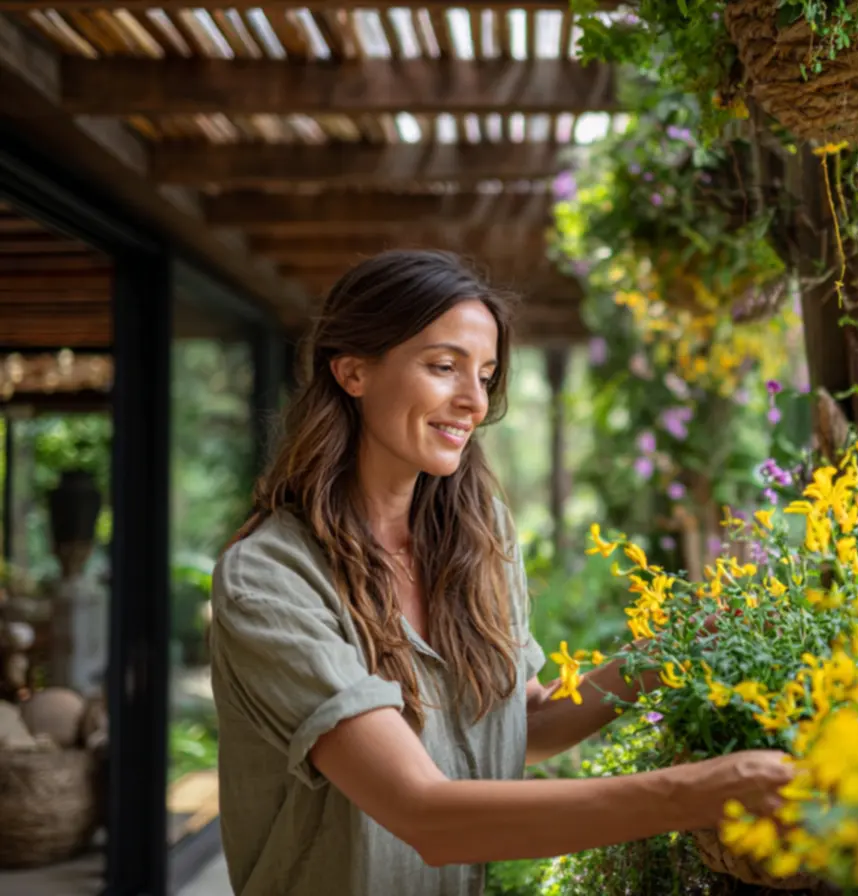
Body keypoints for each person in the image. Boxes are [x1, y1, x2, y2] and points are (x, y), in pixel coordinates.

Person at [208, 249, 794, 896]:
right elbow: (423, 813)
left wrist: (677, 650)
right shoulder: (269, 578)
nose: (474, 402)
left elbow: (525, 723)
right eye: (443, 367)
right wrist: (705, 792)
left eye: (485, 376)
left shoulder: (476, 534)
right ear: (352, 371)